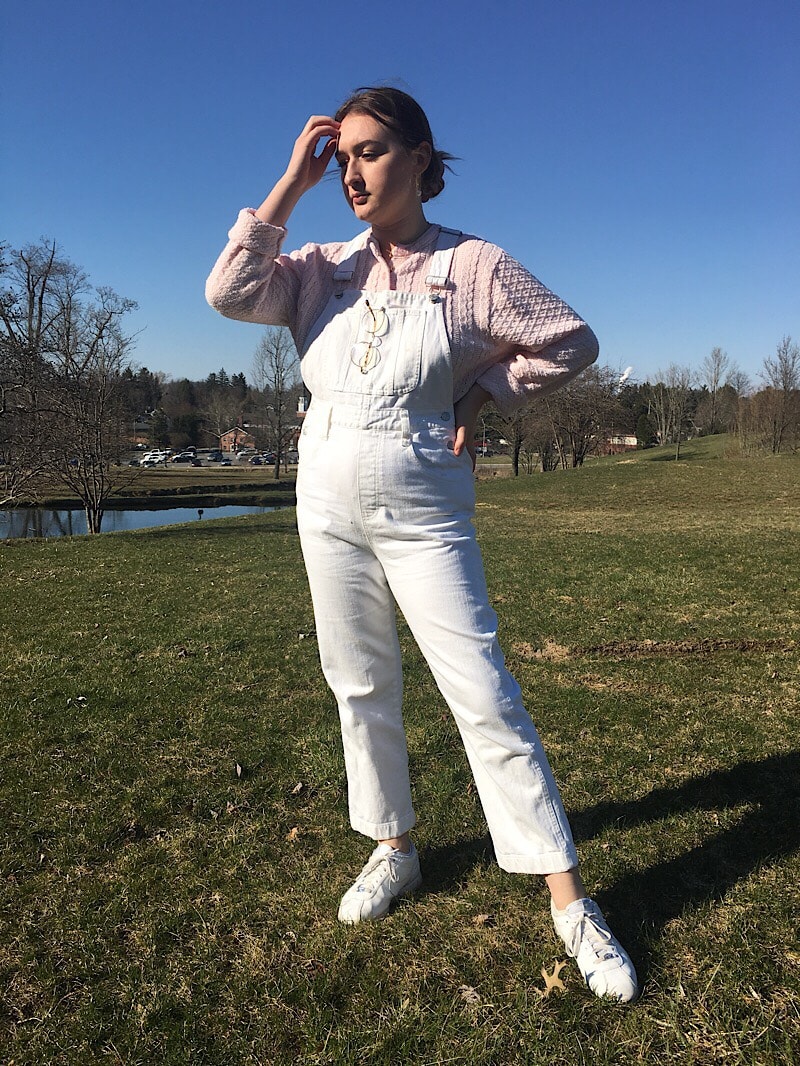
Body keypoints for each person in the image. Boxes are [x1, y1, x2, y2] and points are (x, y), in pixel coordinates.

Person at [206, 87, 638, 1003]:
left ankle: (568, 900)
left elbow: (571, 341)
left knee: (482, 692)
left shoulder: (473, 266)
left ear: (419, 156)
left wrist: (486, 397)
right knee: (358, 680)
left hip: (423, 507)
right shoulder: (319, 266)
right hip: (322, 497)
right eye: (343, 157)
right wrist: (291, 180)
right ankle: (393, 846)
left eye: (369, 152)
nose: (352, 173)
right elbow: (229, 291)